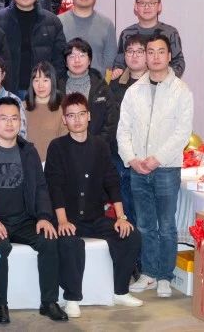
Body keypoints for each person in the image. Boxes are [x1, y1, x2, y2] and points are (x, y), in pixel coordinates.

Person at [45, 93, 145, 317]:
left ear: (89, 116)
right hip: (68, 218)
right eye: (71, 115)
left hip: (95, 217)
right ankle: (72, 298)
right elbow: (54, 186)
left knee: (131, 235)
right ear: (64, 120)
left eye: (81, 114)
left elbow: (112, 181)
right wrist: (62, 221)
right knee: (70, 243)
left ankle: (120, 291)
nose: (77, 120)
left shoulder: (100, 146)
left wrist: (121, 217)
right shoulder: (57, 147)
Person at [0, 97, 70, 323]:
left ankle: (49, 302)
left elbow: (41, 187)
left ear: (20, 122)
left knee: (49, 239)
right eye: (3, 118)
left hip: (26, 219)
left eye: (14, 118)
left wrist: (44, 217)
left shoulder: (29, 151)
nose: (9, 123)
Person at [117, 33, 193, 299]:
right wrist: (132, 159)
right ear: (145, 56)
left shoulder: (181, 91)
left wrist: (156, 158)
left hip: (166, 168)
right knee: (145, 225)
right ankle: (149, 273)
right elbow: (123, 130)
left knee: (167, 225)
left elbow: (182, 133)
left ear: (169, 56)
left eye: (161, 52)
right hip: (138, 168)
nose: (156, 57)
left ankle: (164, 275)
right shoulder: (133, 91)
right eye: (150, 52)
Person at [0, 0, 68, 92]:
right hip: (8, 91)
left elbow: (60, 61)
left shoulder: (52, 21)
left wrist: (49, 86)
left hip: (42, 91)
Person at [108, 36, 147, 218]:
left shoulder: (155, 83)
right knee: (124, 210)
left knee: (143, 211)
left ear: (147, 55)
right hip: (118, 155)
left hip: (144, 157)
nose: (134, 56)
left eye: (139, 51)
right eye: (130, 51)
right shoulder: (115, 84)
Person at [112, 0, 187, 76]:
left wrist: (165, 78)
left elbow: (178, 63)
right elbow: (119, 63)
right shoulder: (127, 34)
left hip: (163, 82)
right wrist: (117, 70)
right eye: (142, 3)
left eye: (152, 3)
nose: (147, 7)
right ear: (136, 7)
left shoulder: (170, 32)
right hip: (133, 82)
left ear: (159, 6)